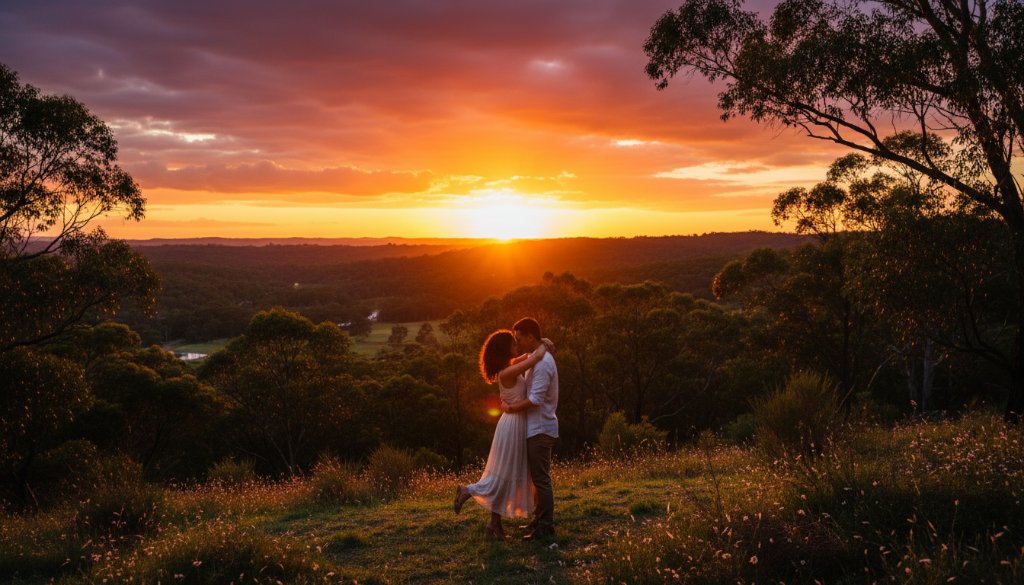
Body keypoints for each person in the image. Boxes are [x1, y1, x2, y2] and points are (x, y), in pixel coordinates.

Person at [453, 329, 551, 540]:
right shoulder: (508, 372)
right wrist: (543, 346)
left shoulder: (509, 366)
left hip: (515, 423)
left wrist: (542, 341)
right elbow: (534, 358)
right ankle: (467, 490)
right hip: (513, 424)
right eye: (513, 343)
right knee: (503, 476)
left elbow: (527, 356)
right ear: (504, 349)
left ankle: (494, 526)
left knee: (506, 475)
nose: (517, 345)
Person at [501, 317, 559, 541]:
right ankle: (539, 521)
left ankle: (545, 527)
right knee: (536, 479)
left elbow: (535, 399)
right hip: (534, 427)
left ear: (530, 337)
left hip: (541, 427)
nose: (518, 343)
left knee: (541, 479)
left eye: (519, 339)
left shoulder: (544, 364)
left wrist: (511, 408)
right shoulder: (536, 359)